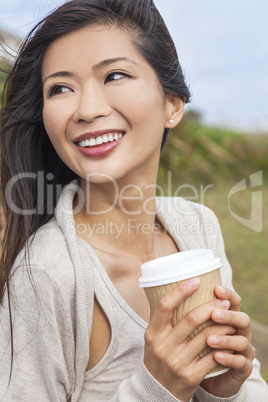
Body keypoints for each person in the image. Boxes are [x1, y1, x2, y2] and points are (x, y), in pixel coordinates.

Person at [0, 0, 267, 401]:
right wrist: (157, 388)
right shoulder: (47, 274)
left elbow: (249, 388)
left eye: (115, 75)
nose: (87, 110)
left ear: (173, 106)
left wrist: (224, 390)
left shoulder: (197, 226)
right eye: (60, 88)